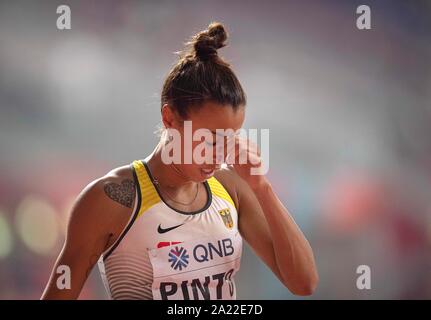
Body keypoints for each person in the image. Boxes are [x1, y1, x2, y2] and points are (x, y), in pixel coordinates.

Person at [41, 22, 318, 300]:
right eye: (209, 139)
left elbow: (304, 283)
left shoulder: (231, 188)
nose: (220, 153)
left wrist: (262, 188)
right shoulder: (111, 199)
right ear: (169, 118)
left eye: (230, 138)